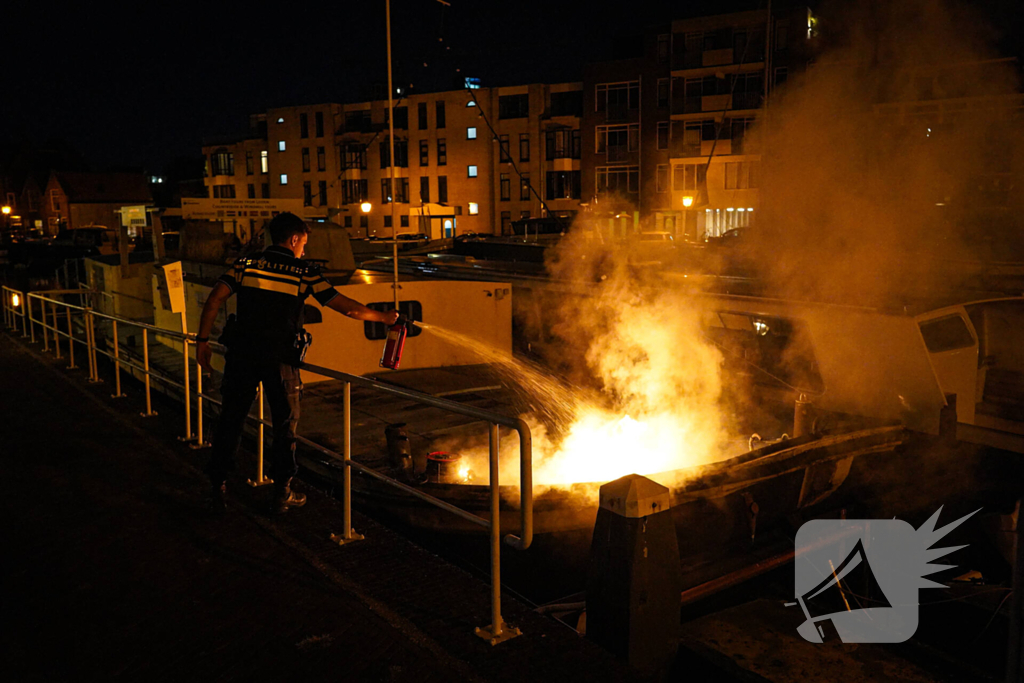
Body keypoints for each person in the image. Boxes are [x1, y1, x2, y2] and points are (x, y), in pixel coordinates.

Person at [196, 212, 399, 514]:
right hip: (281, 360)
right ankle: (282, 494)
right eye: (303, 242)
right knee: (285, 427)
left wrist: (202, 342)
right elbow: (345, 308)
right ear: (293, 240)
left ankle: (217, 488)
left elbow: (214, 300)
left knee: (231, 420)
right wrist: (384, 317)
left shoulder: (245, 265)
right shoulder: (302, 271)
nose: (304, 249)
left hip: (241, 356)